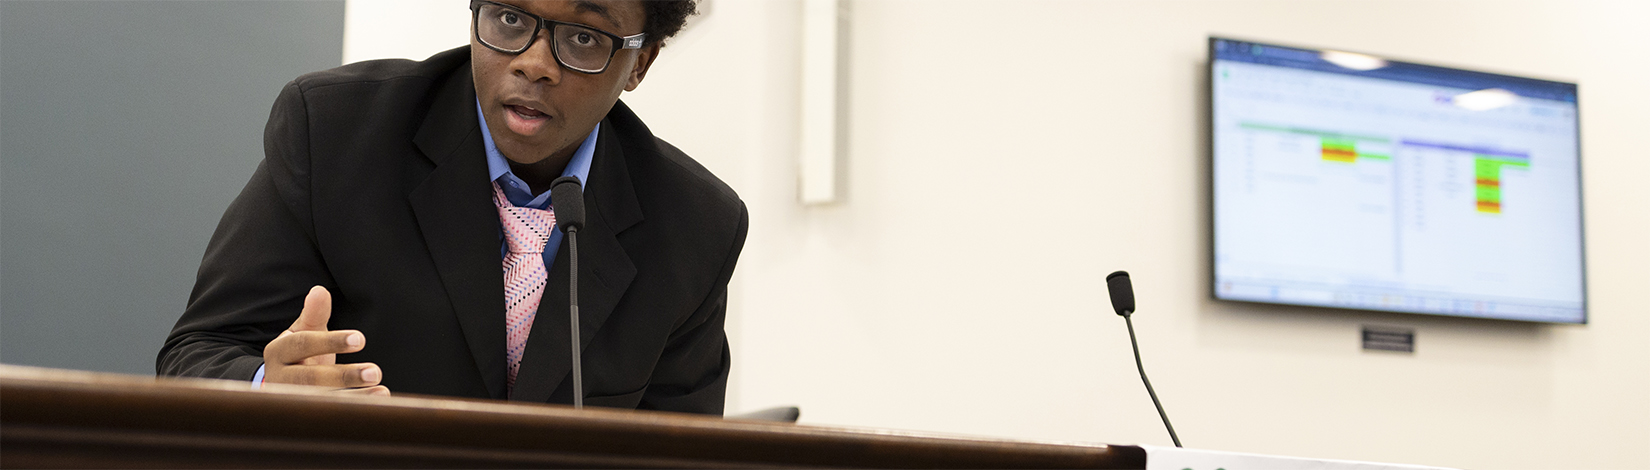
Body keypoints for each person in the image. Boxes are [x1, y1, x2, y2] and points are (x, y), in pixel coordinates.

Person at [158, 0, 744, 415]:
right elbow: (195, 355)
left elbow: (682, 445)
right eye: (510, 19)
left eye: (583, 37)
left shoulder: (695, 225)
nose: (535, 62)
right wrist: (268, 385)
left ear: (642, 62)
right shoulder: (336, 135)